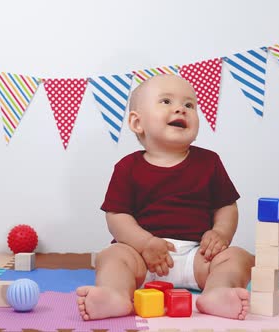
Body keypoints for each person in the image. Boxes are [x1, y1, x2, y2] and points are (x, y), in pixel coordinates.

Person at [76, 74, 254, 321]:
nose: (181, 108)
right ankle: (115, 294)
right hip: (142, 257)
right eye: (166, 101)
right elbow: (117, 217)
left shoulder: (209, 162)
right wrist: (145, 243)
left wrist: (221, 233)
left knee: (239, 257)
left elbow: (225, 206)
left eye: (190, 105)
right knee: (111, 256)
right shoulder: (127, 167)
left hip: (196, 256)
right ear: (138, 123)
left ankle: (218, 292)